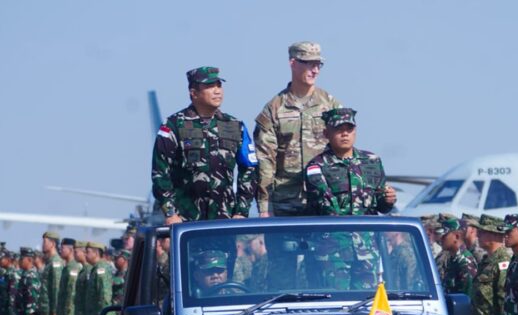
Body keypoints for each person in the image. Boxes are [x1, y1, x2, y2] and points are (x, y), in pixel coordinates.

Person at [152, 66, 257, 223]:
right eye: (209, 86)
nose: (217, 91)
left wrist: (241, 211)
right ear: (193, 93)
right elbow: (160, 172)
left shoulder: (235, 125)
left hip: (224, 219)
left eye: (219, 85)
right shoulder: (174, 125)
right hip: (185, 220)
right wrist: (170, 213)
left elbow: (249, 168)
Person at [254, 42, 341, 217]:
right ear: (293, 63)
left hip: (324, 200)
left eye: (318, 65)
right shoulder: (273, 108)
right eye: (309, 63)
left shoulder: (330, 105)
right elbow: (264, 161)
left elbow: (343, 149)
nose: (315, 70)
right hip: (285, 203)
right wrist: (265, 207)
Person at [305, 108, 396, 215]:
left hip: (367, 230)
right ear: (326, 133)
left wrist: (388, 200)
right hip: (335, 230)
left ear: (355, 132)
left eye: (349, 129)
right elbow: (324, 206)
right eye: (339, 129)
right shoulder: (316, 166)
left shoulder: (372, 161)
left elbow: (382, 207)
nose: (345, 134)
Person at [469, 215, 511, 315]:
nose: (477, 236)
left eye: (481, 232)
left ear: (493, 234)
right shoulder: (487, 261)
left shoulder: (502, 262)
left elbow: (504, 300)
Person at [437, 216, 478, 295]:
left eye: (444, 235)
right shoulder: (451, 259)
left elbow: (467, 298)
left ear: (456, 236)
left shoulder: (465, 262)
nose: (440, 238)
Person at [83, 242, 113, 315]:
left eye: (88, 252)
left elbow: (104, 295)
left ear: (96, 253)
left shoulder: (101, 269)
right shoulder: (95, 269)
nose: (85, 254)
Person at [74, 242, 90, 315]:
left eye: (77, 251)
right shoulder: (83, 270)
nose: (74, 254)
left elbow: (89, 298)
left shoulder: (89, 271)